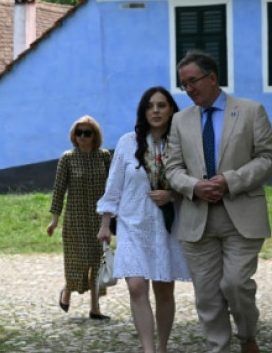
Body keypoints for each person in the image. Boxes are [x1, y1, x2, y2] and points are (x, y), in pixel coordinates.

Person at [165, 50, 272, 353]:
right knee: (208, 297)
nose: (188, 90)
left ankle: (247, 335)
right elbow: (172, 169)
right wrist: (194, 186)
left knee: (235, 284)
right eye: (183, 84)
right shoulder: (179, 121)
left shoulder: (251, 111)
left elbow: (267, 159)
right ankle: (218, 349)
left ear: (212, 78)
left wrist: (230, 181)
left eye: (193, 81)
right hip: (197, 219)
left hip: (241, 215)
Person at [96, 87, 191, 353]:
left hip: (167, 227)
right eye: (151, 106)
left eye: (162, 105)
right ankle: (148, 349)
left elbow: (194, 184)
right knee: (136, 287)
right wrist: (105, 224)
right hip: (132, 225)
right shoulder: (128, 142)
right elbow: (113, 187)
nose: (156, 111)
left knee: (163, 290)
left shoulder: (181, 144)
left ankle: (162, 347)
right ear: (143, 111)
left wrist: (172, 195)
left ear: (171, 109)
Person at [47, 115, 111, 320]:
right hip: (75, 219)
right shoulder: (67, 158)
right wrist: (54, 219)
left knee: (97, 264)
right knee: (78, 263)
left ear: (95, 136)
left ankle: (95, 308)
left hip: (99, 219)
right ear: (74, 136)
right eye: (79, 133)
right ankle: (67, 290)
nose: (82, 137)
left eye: (87, 133)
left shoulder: (104, 157)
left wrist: (113, 219)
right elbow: (59, 190)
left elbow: (113, 189)